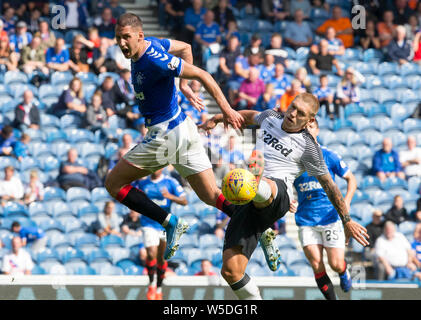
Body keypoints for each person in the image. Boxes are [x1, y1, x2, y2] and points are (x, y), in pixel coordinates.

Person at [199, 92, 369, 300]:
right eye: (293, 107)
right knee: (231, 271)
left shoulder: (309, 148)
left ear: (310, 120)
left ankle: (254, 181)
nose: (293, 114)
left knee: (258, 173)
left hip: (278, 194)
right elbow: (248, 116)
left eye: (301, 113)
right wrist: (216, 118)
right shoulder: (271, 117)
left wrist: (347, 220)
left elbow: (330, 186)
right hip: (251, 195)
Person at [104, 13, 244, 262]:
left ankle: (170, 222)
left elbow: (204, 75)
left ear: (139, 36)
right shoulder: (152, 45)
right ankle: (256, 225)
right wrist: (182, 86)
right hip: (184, 129)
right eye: (118, 38)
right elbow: (186, 47)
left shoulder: (154, 59)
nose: (122, 43)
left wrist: (226, 109)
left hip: (166, 134)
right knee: (211, 194)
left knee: (113, 184)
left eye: (126, 37)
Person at [292, 119, 356, 299]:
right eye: (303, 129)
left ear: (317, 130)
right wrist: (289, 199)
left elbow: (351, 179)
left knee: (335, 264)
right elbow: (285, 184)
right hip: (306, 221)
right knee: (316, 263)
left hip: (330, 218)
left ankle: (343, 272)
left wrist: (347, 202)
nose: (307, 131)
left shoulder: (329, 155)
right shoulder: (294, 160)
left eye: (310, 127)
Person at [133, 168, 188, 300]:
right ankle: (151, 284)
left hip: (164, 223)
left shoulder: (170, 182)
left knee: (161, 258)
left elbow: (184, 201)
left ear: (162, 168)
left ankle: (159, 288)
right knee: (151, 253)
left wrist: (170, 197)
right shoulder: (143, 183)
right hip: (148, 224)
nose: (155, 169)